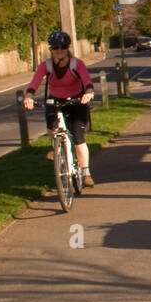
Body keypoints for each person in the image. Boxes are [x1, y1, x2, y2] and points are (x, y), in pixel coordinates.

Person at [23, 31, 97, 186]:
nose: (59, 50)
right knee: (52, 127)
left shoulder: (77, 64)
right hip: (55, 100)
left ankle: (86, 172)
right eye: (56, 47)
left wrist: (89, 92)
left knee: (78, 137)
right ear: (51, 49)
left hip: (76, 101)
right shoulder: (46, 66)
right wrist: (28, 96)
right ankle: (56, 148)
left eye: (63, 47)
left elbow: (86, 80)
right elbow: (35, 82)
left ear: (67, 48)